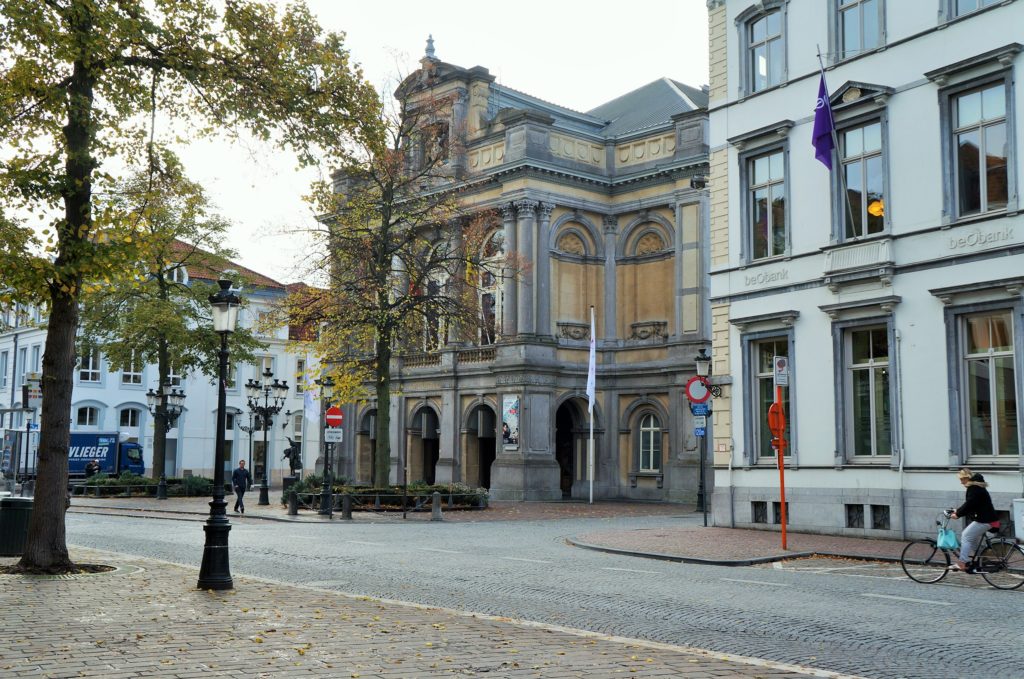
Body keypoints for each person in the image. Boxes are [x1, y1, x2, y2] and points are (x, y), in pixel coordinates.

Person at [950, 467, 999, 571]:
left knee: (966, 536)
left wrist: (958, 514)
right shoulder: (976, 487)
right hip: (987, 519)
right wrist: (957, 510)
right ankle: (984, 559)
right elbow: (972, 505)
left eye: (962, 479)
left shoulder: (974, 488)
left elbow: (970, 504)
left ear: (967, 478)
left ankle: (962, 562)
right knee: (972, 541)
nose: (961, 482)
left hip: (985, 520)